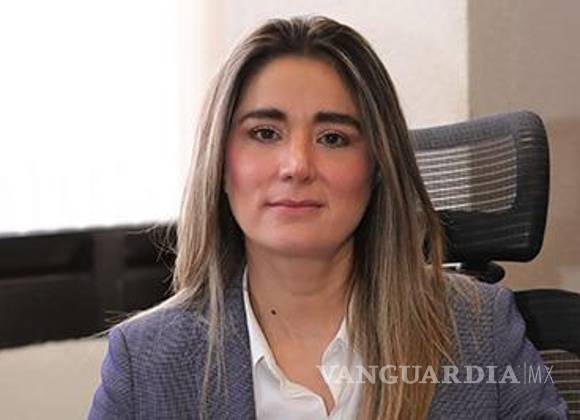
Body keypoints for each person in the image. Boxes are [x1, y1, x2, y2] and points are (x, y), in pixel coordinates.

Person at [88, 15, 568, 419]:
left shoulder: (480, 328)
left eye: (333, 138)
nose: (297, 165)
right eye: (265, 133)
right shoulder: (145, 362)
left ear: (376, 168)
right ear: (221, 164)